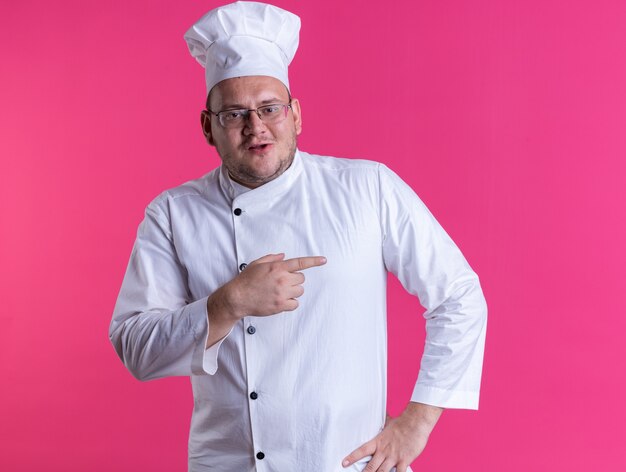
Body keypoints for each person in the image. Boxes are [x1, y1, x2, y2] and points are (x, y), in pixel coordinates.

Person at [109, 2, 487, 471]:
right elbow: (135, 347)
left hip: (347, 465)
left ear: (296, 115)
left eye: (270, 108)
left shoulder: (366, 188)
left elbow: (459, 296)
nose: (256, 127)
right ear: (208, 127)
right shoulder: (173, 213)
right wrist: (226, 304)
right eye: (233, 114)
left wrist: (418, 422)